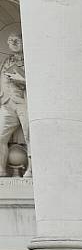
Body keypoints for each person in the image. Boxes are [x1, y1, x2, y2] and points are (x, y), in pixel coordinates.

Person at [0, 34, 29, 177]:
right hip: (7, 103)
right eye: (10, 40)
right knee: (0, 137)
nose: (13, 42)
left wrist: (22, 80)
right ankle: (1, 170)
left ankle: (31, 169)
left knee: (30, 136)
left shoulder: (30, 59)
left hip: (23, 103)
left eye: (17, 40)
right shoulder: (7, 61)